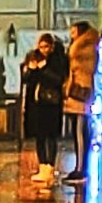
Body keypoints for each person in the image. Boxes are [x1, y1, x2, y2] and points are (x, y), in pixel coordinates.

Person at [19, 33, 66, 181]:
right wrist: (31, 69)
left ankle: (50, 166)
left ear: (51, 47)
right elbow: (26, 80)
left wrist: (44, 68)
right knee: (39, 136)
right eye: (41, 46)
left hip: (50, 103)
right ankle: (42, 165)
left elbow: (58, 80)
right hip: (36, 103)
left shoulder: (57, 60)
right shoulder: (33, 56)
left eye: (46, 46)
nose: (43, 50)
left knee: (50, 136)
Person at [57, 21, 100, 183]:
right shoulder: (82, 47)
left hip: (80, 92)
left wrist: (72, 87)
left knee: (80, 131)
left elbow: (83, 70)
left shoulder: (84, 48)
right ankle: (80, 167)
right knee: (77, 132)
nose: (71, 34)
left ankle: (81, 168)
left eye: (73, 31)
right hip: (77, 91)